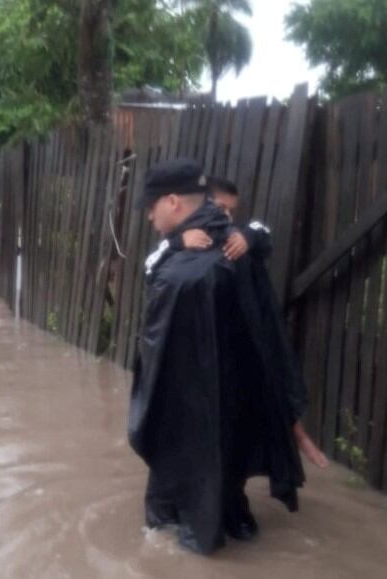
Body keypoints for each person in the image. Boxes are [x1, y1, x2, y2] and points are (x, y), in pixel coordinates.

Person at [129, 158, 306, 555]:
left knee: (180, 506)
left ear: (173, 202)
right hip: (236, 404)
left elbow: (159, 360)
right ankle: (232, 521)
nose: (148, 216)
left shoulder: (183, 270)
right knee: (226, 485)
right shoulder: (238, 247)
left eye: (151, 206)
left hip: (191, 411)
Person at [180, 176, 329, 469]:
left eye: (231, 211)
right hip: (204, 349)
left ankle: (297, 435)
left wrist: (248, 235)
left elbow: (264, 231)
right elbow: (157, 266)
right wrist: (178, 241)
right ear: (203, 204)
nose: (226, 216)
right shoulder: (184, 240)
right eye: (221, 207)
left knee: (271, 386)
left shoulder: (237, 240)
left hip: (246, 338)